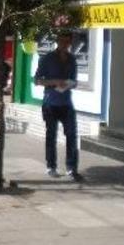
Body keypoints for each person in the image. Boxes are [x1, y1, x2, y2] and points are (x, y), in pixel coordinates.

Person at [34, 31, 84, 182]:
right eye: (62, 41)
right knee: (51, 135)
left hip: (67, 103)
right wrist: (54, 82)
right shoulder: (47, 59)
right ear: (57, 41)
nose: (64, 44)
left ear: (70, 43)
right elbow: (37, 80)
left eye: (67, 42)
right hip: (50, 103)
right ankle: (51, 167)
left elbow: (74, 81)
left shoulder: (72, 59)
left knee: (72, 135)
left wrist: (71, 84)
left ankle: (71, 168)